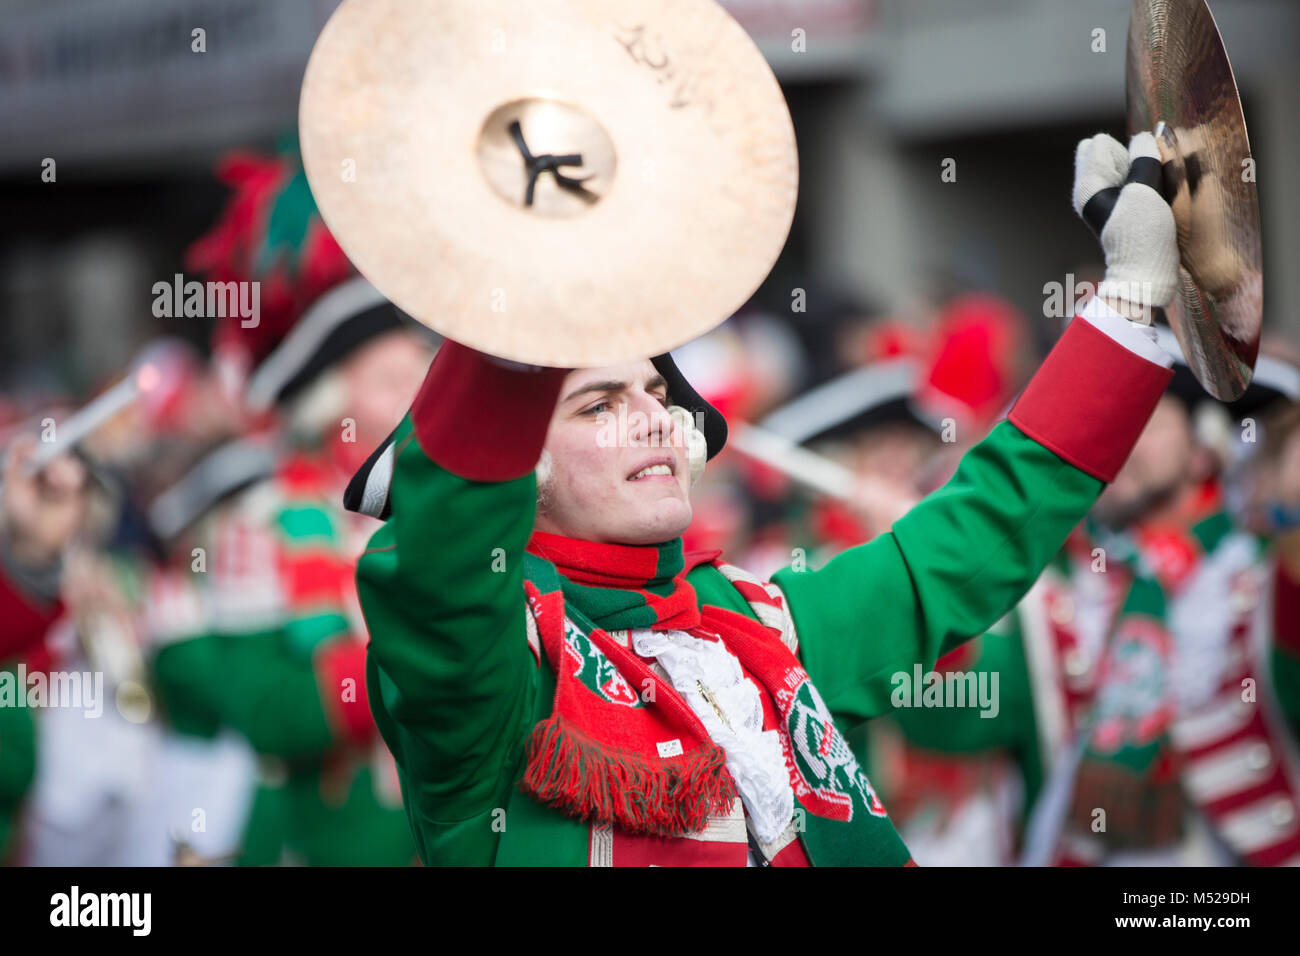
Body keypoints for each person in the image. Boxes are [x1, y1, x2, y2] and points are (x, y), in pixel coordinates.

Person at [347, 131, 1182, 865]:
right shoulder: (498, 674)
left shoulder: (761, 625)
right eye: (599, 404)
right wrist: (523, 271)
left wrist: (1128, 306)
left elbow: (972, 536)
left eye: (655, 393)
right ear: (517, 469)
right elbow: (441, 564)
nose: (654, 418)